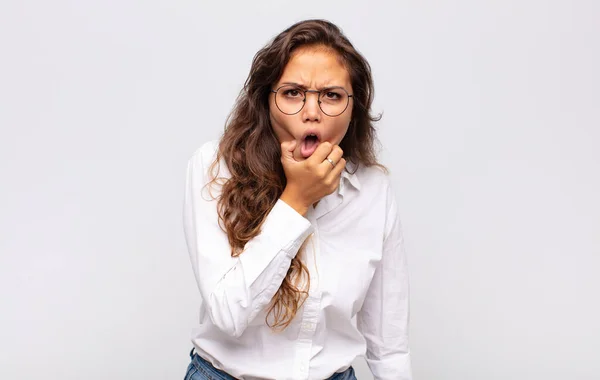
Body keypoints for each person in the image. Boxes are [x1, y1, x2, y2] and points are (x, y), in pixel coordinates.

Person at [182, 19, 412, 380]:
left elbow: (389, 344)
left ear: (354, 109)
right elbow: (228, 315)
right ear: (266, 100)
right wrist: (296, 199)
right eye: (292, 92)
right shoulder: (214, 168)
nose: (311, 111)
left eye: (331, 96)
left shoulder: (373, 189)